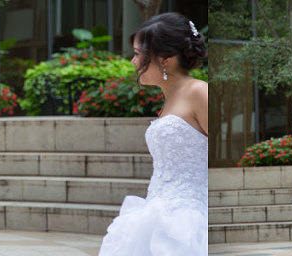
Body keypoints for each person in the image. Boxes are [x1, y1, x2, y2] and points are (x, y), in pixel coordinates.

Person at [98, 12, 207, 255]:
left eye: (138, 54)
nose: (133, 62)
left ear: (165, 58)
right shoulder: (170, 98)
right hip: (155, 214)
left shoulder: (200, 93)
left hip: (187, 220)